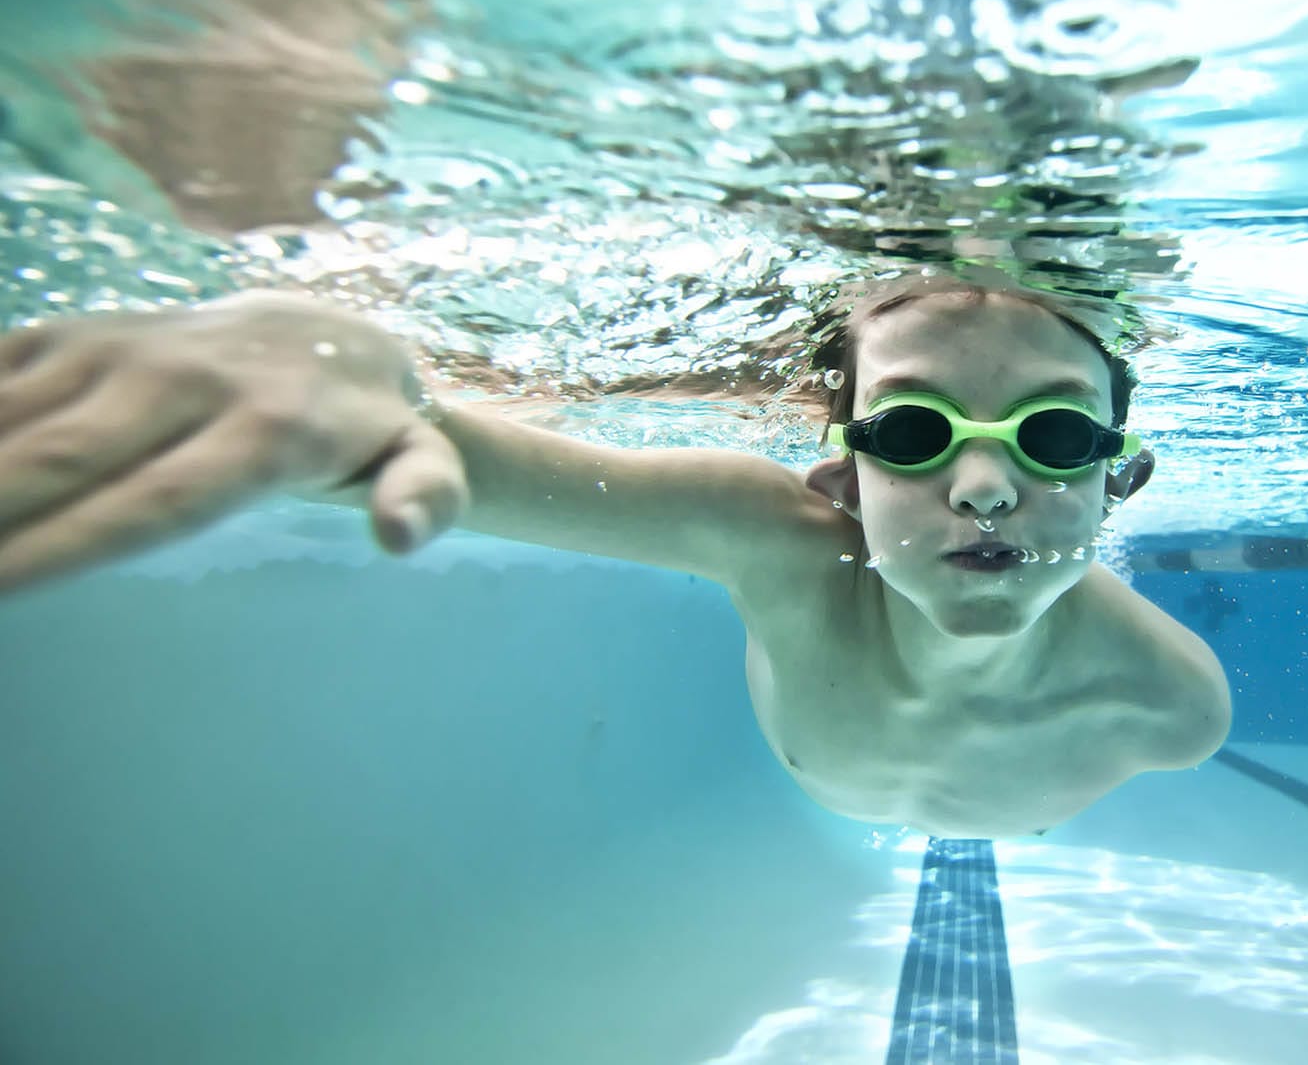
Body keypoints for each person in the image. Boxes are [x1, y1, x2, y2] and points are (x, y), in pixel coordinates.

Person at [0, 277, 1230, 838]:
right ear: (838, 477)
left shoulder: (1174, 705)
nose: (982, 486)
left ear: (1119, 478)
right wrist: (343, 412)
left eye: (1057, 433)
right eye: (910, 430)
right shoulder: (775, 543)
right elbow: (457, 461)